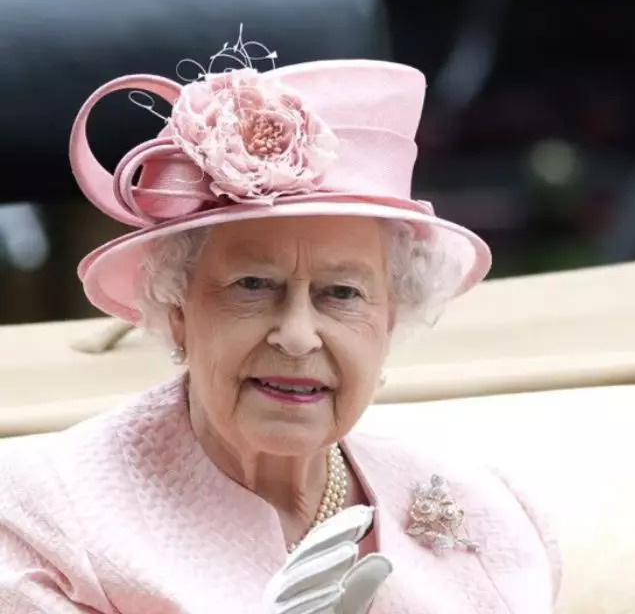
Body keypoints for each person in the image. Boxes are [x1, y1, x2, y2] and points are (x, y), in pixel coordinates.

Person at [0, 34, 560, 612]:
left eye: (341, 293)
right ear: (177, 310)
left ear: (389, 320)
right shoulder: (43, 521)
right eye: (253, 286)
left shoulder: (493, 515)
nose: (296, 335)